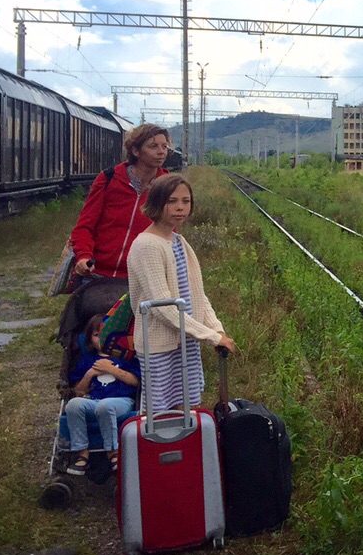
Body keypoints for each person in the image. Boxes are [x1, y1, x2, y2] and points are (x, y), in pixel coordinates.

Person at [57, 124, 173, 369]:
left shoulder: (167, 185)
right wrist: (83, 256)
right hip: (97, 274)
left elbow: (168, 234)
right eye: (153, 146)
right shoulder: (109, 179)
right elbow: (85, 226)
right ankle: (81, 378)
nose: (161, 151)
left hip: (137, 278)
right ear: (135, 150)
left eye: (164, 146)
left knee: (136, 342)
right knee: (88, 334)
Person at [127, 174, 235, 412]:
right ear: (156, 203)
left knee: (186, 409)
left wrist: (216, 328)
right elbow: (164, 306)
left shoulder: (179, 241)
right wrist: (210, 336)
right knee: (160, 415)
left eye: (186, 201)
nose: (180, 207)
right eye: (172, 201)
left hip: (185, 342)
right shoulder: (147, 245)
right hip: (159, 346)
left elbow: (197, 295)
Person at [63, 315, 141, 475]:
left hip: (121, 401)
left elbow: (136, 382)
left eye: (107, 335)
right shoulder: (86, 361)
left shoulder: (125, 358)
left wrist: (111, 370)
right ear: (90, 339)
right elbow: (78, 392)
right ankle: (81, 452)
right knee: (73, 405)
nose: (102, 339)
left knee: (105, 407)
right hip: (93, 400)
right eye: (97, 335)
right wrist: (90, 374)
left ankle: (113, 451)